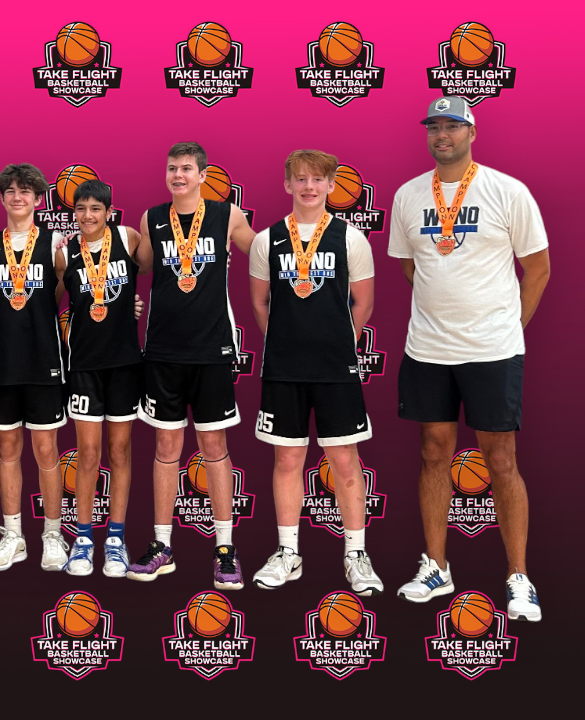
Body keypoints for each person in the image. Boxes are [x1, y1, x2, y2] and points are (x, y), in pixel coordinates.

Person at [389, 98, 550, 621]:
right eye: (434, 126)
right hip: (428, 349)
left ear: (472, 133)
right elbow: (411, 268)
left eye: (453, 126)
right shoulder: (408, 195)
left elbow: (538, 268)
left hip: (492, 350)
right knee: (434, 453)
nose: (442, 135)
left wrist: (509, 326)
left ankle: (518, 577)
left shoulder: (508, 191)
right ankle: (436, 567)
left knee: (501, 460)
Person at [248, 149, 382, 596]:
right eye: (300, 179)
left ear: (330, 186)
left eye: (317, 179)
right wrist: (291, 342)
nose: (309, 186)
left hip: (335, 369)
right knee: (287, 460)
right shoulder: (267, 240)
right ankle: (288, 552)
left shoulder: (351, 238)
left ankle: (356, 554)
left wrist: (335, 343)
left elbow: (363, 304)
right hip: (284, 369)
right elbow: (260, 305)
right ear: (287, 184)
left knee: (344, 460)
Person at [128, 142, 256, 589]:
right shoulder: (151, 218)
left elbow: (263, 256)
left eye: (186, 168)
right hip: (163, 350)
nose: (178, 175)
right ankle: (162, 546)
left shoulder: (227, 215)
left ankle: (225, 548)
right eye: (172, 168)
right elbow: (140, 267)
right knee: (166, 448)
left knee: (214, 446)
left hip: (211, 349)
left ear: (203, 175)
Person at [0, 164, 69, 572]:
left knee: (46, 449)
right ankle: (13, 534)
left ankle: (52, 533)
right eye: (11, 190)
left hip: (44, 359)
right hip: (2, 360)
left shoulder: (55, 243)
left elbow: (68, 291)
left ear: (38, 199)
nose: (18, 197)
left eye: (26, 191)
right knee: (8, 449)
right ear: (1, 198)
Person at [57, 179, 148, 577]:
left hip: (125, 363)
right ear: (73, 212)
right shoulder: (65, 253)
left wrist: (134, 304)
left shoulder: (128, 239)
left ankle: (116, 538)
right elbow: (48, 302)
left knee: (120, 451)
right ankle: (82, 538)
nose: (88, 215)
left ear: (109, 212)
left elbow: (159, 270)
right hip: (84, 365)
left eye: (96, 208)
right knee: (89, 453)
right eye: (81, 208)